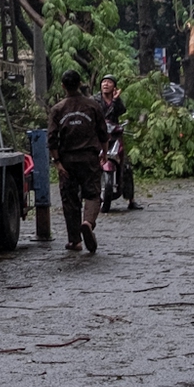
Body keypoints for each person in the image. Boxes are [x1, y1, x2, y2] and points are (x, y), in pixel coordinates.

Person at [47, 70, 110, 253]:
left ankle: (75, 241)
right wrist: (104, 154)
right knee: (92, 194)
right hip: (89, 158)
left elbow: (52, 138)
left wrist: (58, 163)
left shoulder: (58, 109)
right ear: (80, 83)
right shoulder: (92, 106)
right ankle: (88, 222)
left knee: (70, 199)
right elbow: (103, 133)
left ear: (63, 86)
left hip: (67, 160)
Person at [99, 74, 138, 210]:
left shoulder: (116, 100)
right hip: (98, 137)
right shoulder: (95, 100)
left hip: (114, 136)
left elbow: (122, 111)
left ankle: (131, 199)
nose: (106, 84)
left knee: (126, 167)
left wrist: (116, 100)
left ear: (114, 86)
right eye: (104, 82)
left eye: (109, 82)